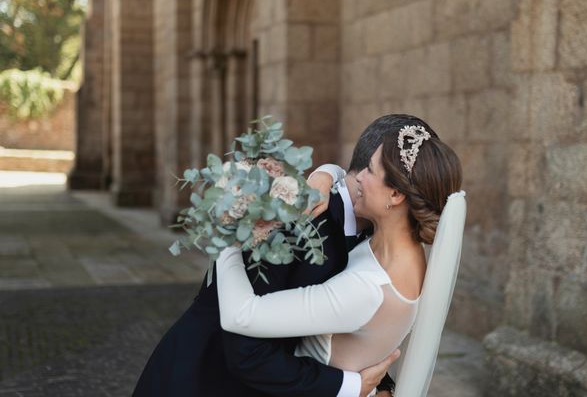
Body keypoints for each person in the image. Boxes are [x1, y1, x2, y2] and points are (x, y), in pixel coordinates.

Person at [133, 115, 436, 397]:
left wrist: (377, 382)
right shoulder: (284, 221)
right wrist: (349, 386)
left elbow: (357, 321)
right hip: (202, 378)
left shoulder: (380, 232)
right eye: (369, 168)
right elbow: (245, 352)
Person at [215, 118, 464, 396]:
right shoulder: (402, 252)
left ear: (395, 194)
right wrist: (327, 173)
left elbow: (241, 315)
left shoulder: (368, 289)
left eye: (369, 169)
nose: (357, 176)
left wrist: (230, 232)